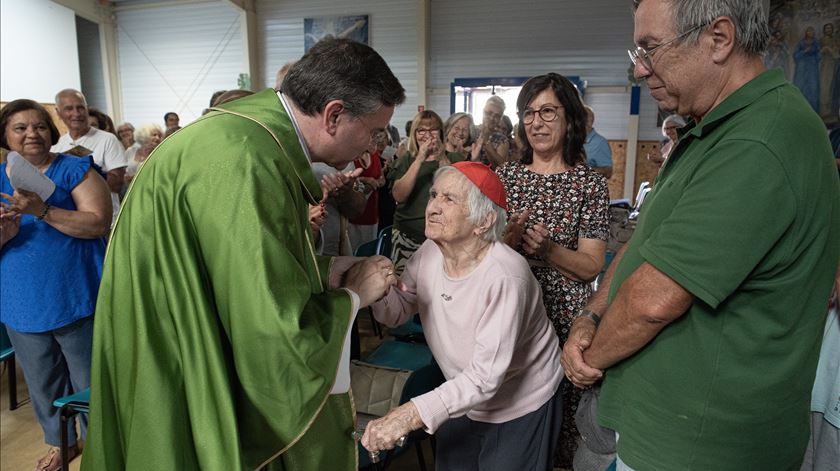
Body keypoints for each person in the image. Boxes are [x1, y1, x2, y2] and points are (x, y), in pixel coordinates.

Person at [82, 38, 406, 470]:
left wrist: (321, 269)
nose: (373, 148)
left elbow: (229, 269)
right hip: (183, 354)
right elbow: (272, 332)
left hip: (174, 326)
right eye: (373, 130)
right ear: (333, 114)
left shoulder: (243, 135)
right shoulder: (247, 159)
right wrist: (354, 297)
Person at [562, 2, 840, 470]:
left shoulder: (760, 139)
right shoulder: (711, 127)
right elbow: (644, 241)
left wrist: (587, 360)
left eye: (650, 48)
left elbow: (653, 301)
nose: (638, 67)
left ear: (719, 39)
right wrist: (591, 313)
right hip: (662, 429)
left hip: (702, 447)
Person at [362, 162, 563, 470]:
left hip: (518, 400)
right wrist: (380, 289)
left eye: (449, 199)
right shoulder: (430, 252)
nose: (432, 208)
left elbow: (485, 377)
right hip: (461, 391)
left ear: (484, 221)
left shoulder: (505, 276)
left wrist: (410, 413)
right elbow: (398, 312)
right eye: (433, 195)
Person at [496, 72, 610, 468]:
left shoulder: (589, 186)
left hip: (563, 316)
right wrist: (507, 243)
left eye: (548, 111)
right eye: (528, 113)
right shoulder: (506, 177)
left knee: (561, 428)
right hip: (510, 311)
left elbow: (592, 265)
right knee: (513, 418)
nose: (536, 123)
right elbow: (484, 253)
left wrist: (547, 249)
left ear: (570, 119)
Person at [0, 99, 112, 471]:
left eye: (40, 126)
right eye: (20, 128)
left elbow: (97, 223)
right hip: (21, 298)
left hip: (75, 293)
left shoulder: (74, 169)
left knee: (90, 378)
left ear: (52, 132)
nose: (32, 133)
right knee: (42, 381)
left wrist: (42, 212)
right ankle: (61, 443)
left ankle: (101, 444)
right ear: (5, 136)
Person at [389, 110, 466, 274]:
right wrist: (419, 159)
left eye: (433, 130)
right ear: (414, 134)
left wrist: (441, 158)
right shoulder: (406, 160)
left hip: (446, 237)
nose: (427, 135)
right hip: (407, 235)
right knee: (406, 289)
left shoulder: (456, 160)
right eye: (421, 130)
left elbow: (455, 191)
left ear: (441, 133)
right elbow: (399, 196)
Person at [52, 89, 127, 227]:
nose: (76, 114)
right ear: (58, 113)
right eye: (69, 109)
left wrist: (85, 171)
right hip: (70, 223)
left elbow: (117, 184)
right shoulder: (56, 146)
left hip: (105, 222)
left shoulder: (107, 139)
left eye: (80, 108)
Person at [471, 96, 510, 167]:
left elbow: (502, 166)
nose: (492, 118)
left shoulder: (502, 140)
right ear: (483, 112)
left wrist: (487, 143)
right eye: (489, 113)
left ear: (500, 118)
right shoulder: (471, 131)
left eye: (497, 116)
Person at [793, 26, 820, 112]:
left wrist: (815, 54)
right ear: (806, 33)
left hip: (812, 68)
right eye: (809, 31)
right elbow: (796, 56)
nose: (810, 33)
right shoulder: (801, 43)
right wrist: (804, 51)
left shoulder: (815, 43)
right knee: (801, 86)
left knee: (813, 87)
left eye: (812, 31)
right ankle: (798, 108)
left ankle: (813, 110)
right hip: (802, 68)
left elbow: (819, 56)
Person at [583, 106, 613, 178]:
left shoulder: (600, 143)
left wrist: (584, 171)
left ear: (590, 121)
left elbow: (608, 172)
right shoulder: (571, 140)